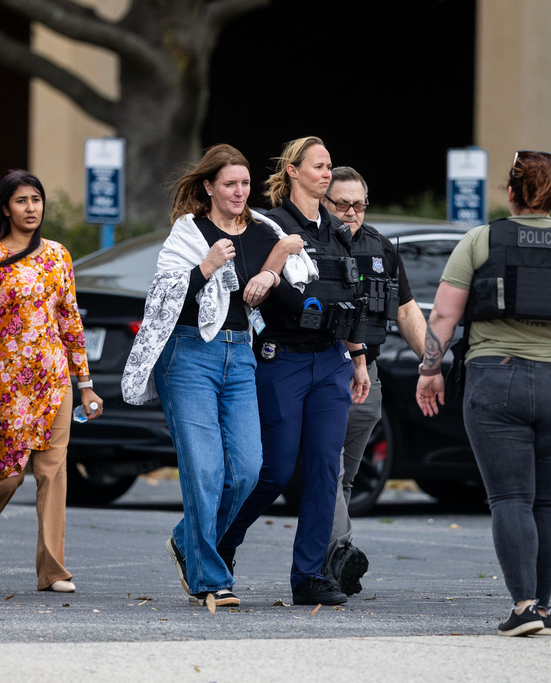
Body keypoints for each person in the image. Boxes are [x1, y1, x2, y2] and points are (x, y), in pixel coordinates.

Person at [416, 151, 551, 636]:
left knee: (511, 498)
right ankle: (545, 607)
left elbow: (444, 316)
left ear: (510, 193)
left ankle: (523, 607)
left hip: (496, 381)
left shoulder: (480, 239)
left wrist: (430, 368)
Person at [121, 144, 312, 608]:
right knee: (205, 469)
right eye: (230, 183)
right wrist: (205, 267)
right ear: (208, 187)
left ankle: (188, 540)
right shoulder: (188, 232)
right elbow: (163, 300)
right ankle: (210, 578)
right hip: (189, 355)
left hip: (241, 355)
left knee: (247, 470)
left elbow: (301, 282)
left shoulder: (266, 230)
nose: (239, 192)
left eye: (245, 184)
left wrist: (282, 259)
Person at [217, 136, 370, 606]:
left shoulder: (336, 228)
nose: (326, 174)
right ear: (293, 171)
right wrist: (278, 258)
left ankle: (309, 576)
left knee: (325, 469)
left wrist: (358, 357)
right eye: (318, 166)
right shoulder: (267, 224)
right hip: (281, 357)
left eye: (328, 167)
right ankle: (218, 542)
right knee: (275, 470)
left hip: (329, 361)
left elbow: (349, 296)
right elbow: (251, 285)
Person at [0, 170, 103, 593]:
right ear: (5, 207)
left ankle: (53, 570)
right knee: (5, 476)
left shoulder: (58, 255)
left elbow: (70, 321)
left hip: (55, 381)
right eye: (21, 201)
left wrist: (85, 383)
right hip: (7, 387)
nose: (31, 208)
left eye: (36, 199)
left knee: (53, 472)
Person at [320, 166, 428, 596]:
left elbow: (406, 310)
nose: (350, 212)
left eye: (358, 204)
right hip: (324, 370)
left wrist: (435, 361)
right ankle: (341, 554)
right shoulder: (313, 242)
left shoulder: (380, 246)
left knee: (343, 479)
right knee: (324, 472)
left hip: (369, 377)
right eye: (341, 204)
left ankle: (324, 565)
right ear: (324, 202)